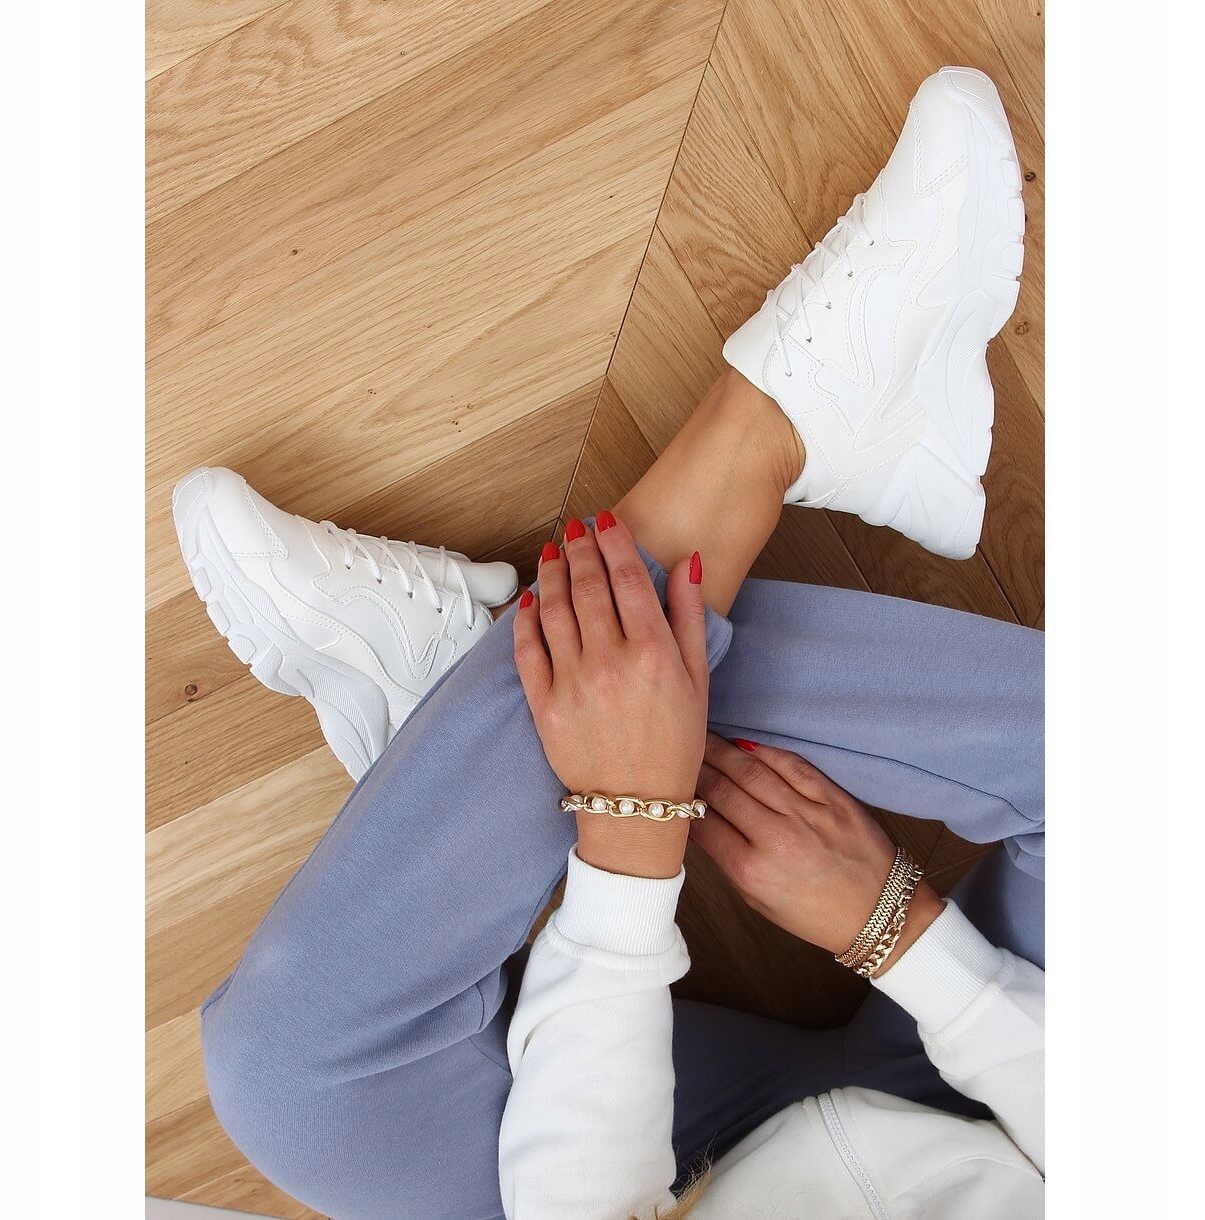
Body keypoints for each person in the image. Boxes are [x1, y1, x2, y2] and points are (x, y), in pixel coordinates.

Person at [176, 67, 1041, 1218]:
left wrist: (630, 841)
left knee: (290, 1081)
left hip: (689, 1175)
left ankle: (492, 697)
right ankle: (757, 444)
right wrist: (904, 936)